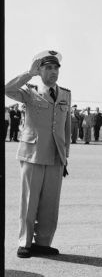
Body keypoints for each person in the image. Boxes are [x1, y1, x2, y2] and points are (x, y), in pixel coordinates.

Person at [4, 50, 71, 258]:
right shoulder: (30, 91)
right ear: (39, 70)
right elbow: (6, 89)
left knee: (50, 203)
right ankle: (25, 242)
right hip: (33, 153)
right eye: (48, 67)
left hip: (55, 155)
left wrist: (65, 155)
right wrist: (28, 73)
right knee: (29, 200)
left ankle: (43, 242)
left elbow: (66, 127)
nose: (53, 71)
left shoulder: (65, 94)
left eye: (55, 67)